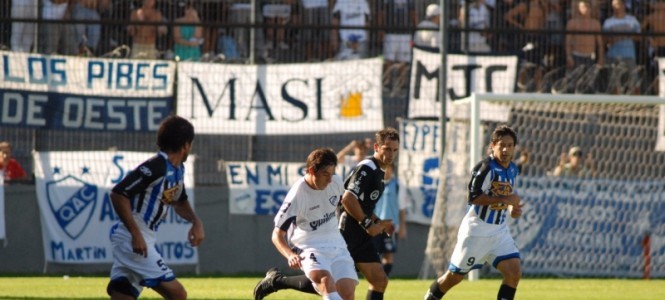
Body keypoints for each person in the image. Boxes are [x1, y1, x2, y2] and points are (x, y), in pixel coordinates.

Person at [254, 127, 400, 300]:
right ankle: (278, 281)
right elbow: (348, 199)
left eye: (395, 150)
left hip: (347, 239)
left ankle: (277, 281)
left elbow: (359, 203)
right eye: (387, 149)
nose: (391, 154)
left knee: (366, 284)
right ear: (377, 147)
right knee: (327, 282)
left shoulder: (349, 178)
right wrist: (367, 224)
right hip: (333, 238)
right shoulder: (366, 169)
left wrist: (377, 221)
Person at [106, 115, 204, 300]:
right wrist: (136, 234)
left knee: (123, 294)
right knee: (178, 294)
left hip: (142, 238)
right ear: (185, 145)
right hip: (132, 238)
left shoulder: (178, 169)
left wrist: (195, 221)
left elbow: (180, 201)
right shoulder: (156, 166)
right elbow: (118, 194)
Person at [423, 124, 524, 300]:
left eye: (510, 145)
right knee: (453, 278)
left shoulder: (513, 169)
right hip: (477, 231)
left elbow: (506, 199)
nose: (506, 149)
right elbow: (473, 197)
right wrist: (505, 200)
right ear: (493, 146)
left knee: (514, 273)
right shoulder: (485, 167)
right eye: (502, 145)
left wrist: (513, 210)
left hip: (499, 232)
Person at [271, 148, 358, 300]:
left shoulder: (335, 182)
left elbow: (344, 205)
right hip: (309, 246)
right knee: (325, 282)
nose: (330, 179)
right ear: (311, 170)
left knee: (347, 293)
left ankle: (277, 282)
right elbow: (277, 234)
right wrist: (290, 255)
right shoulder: (297, 195)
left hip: (337, 245)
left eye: (332, 174)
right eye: (325, 174)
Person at [371, 162, 407, 277]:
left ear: (392, 170)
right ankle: (376, 278)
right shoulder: (374, 184)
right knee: (373, 254)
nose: (386, 171)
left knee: (388, 254)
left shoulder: (398, 185)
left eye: (389, 169)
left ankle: (383, 278)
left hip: (391, 227)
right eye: (384, 169)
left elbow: (402, 208)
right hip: (375, 225)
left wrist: (402, 226)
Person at [505, 0, 548, 91]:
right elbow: (508, 16)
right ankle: (521, 91)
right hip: (528, 38)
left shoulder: (542, 5)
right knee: (524, 68)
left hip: (540, 38)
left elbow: (544, 19)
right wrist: (521, 27)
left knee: (539, 69)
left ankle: (538, 94)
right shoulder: (525, 5)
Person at [565, 0, 604, 70]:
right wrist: (569, 56)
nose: (586, 9)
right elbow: (568, 42)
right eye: (583, 7)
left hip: (590, 56)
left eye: (587, 7)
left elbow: (600, 43)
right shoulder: (572, 23)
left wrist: (600, 58)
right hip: (576, 56)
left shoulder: (595, 24)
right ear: (578, 9)